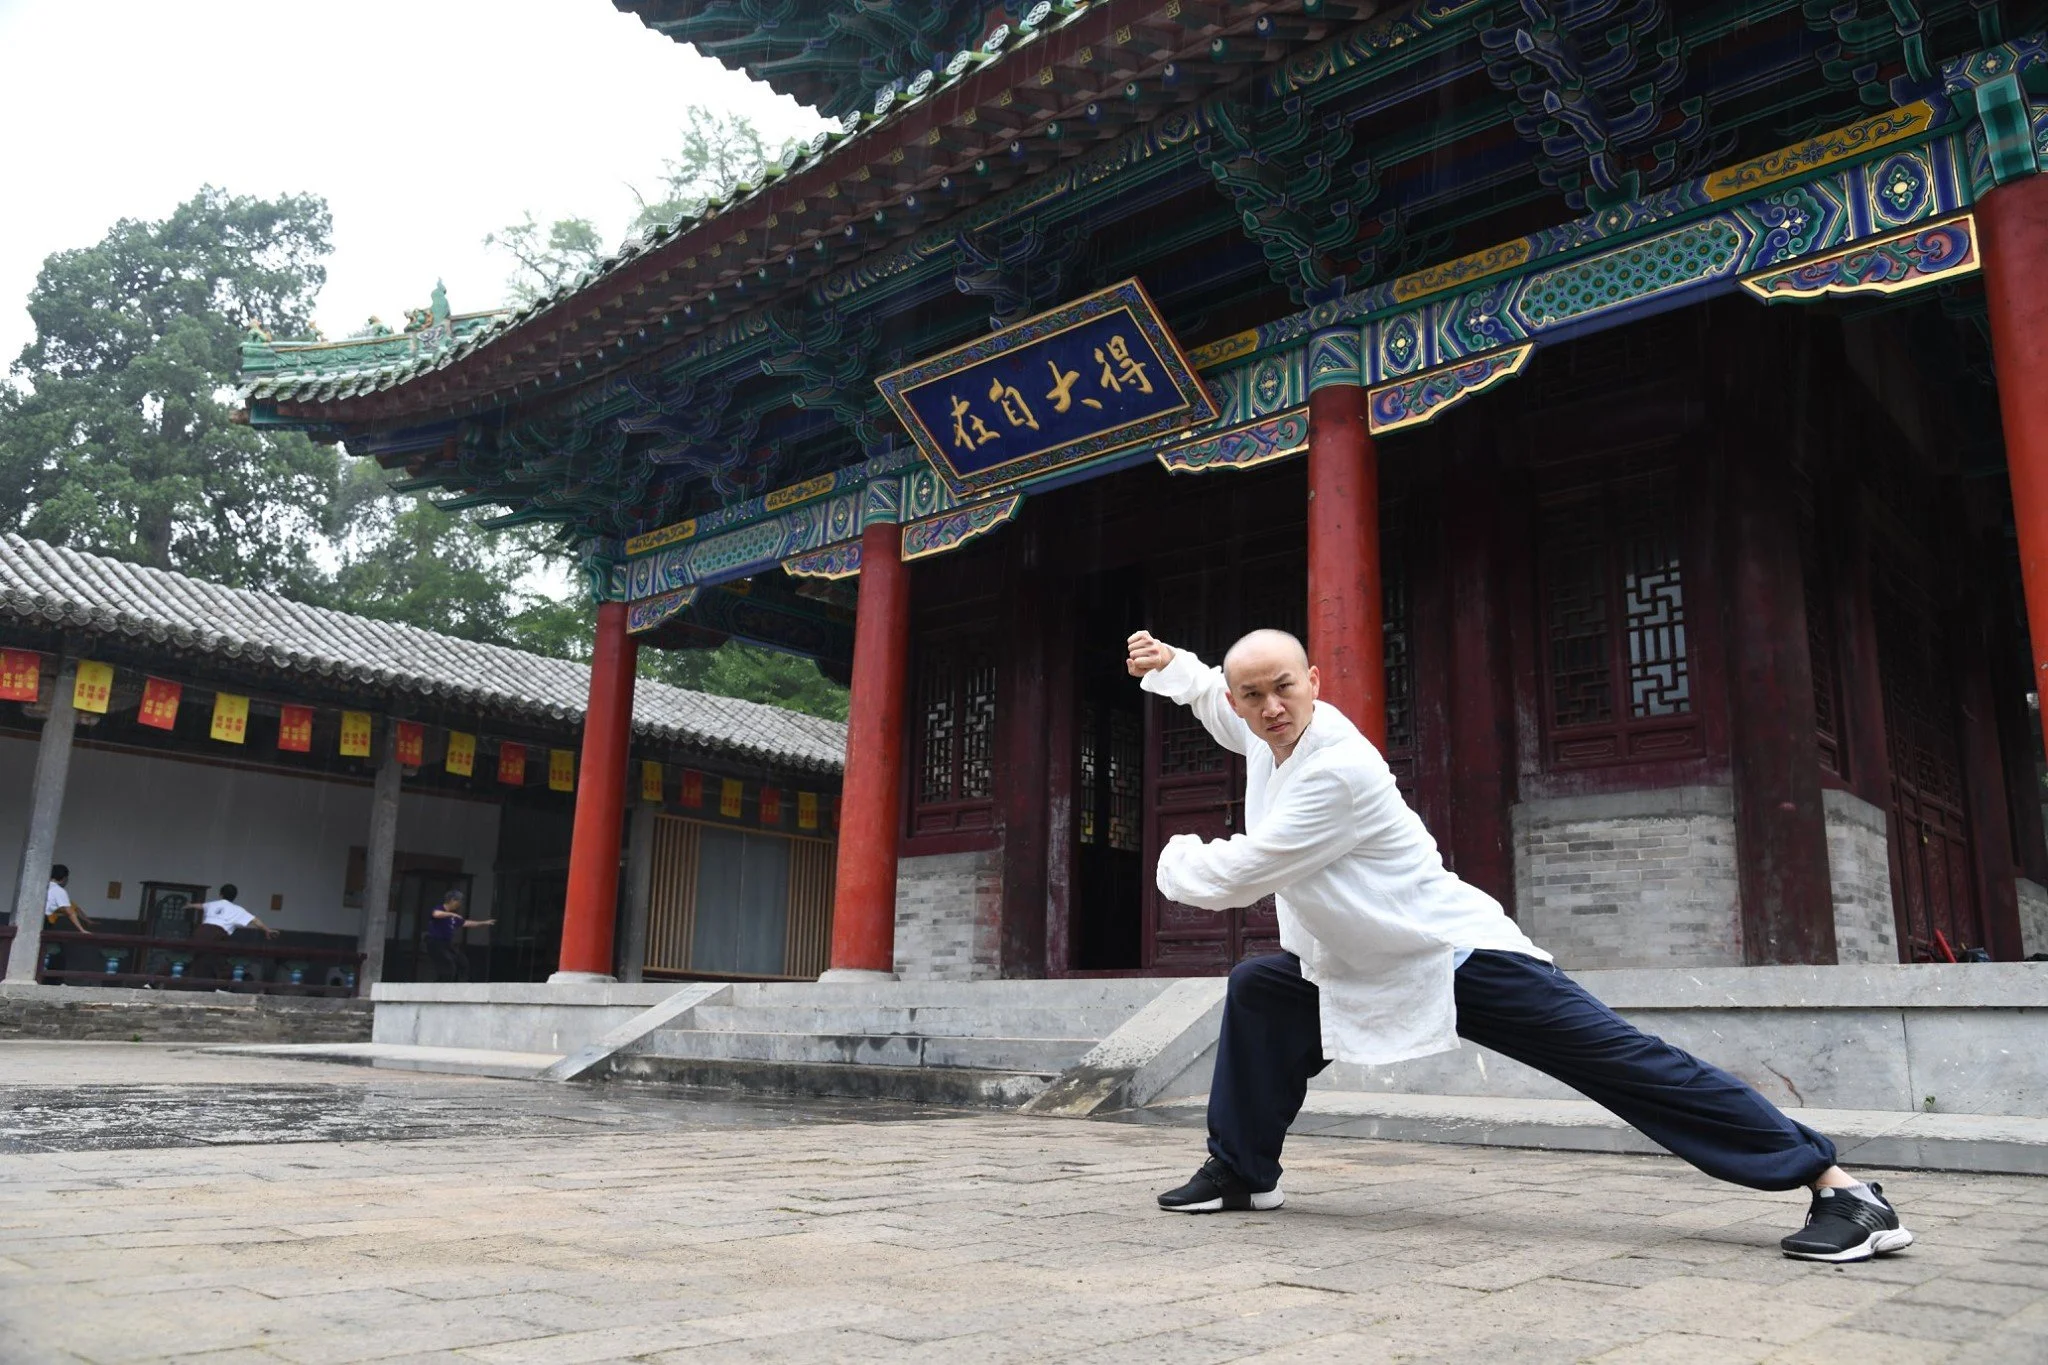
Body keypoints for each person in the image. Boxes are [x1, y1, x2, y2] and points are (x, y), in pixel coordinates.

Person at [1128, 627, 1914, 1264]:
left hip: (1455, 954)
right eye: (1254, 695)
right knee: (1264, 991)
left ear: (1316, 682)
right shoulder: (1268, 733)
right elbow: (1214, 701)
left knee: (1622, 1059)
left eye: (1283, 688)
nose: (1269, 708)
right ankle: (1240, 1171)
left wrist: (1166, 856)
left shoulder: (1337, 768)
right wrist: (1175, 669)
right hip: (1363, 959)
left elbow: (1238, 873)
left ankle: (1840, 1187)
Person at [192, 883, 278, 981]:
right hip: (218, 935)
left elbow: (199, 906)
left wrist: (188, 905)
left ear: (220, 894)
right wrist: (267, 930)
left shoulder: (213, 904)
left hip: (200, 932)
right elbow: (255, 920)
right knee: (216, 961)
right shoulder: (237, 909)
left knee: (201, 961)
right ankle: (227, 982)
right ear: (234, 896)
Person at [423, 888, 492, 982]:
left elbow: (466, 923)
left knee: (463, 962)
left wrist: (483, 923)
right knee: (447, 965)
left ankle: (461, 985)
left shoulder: (453, 916)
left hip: (447, 943)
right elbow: (436, 914)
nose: (459, 904)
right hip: (435, 943)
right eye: (459, 901)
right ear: (452, 900)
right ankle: (441, 987)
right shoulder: (440, 908)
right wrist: (451, 914)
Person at [44, 864, 94, 934]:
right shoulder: (59, 891)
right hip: (44, 921)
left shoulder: (43, 885)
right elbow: (70, 913)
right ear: (64, 878)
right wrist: (82, 930)